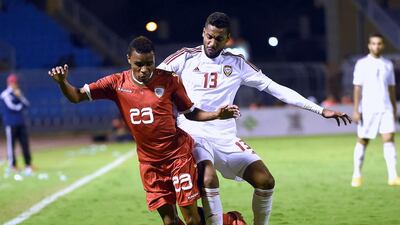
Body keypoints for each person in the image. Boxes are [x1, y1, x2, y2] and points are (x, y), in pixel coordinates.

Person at [158, 12, 351, 225]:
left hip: (225, 135)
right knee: (208, 178)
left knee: (265, 181)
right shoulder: (185, 57)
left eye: (219, 38)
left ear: (228, 38)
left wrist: (320, 110)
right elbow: (153, 81)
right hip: (192, 131)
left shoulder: (238, 64)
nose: (212, 43)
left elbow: (274, 88)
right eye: (209, 36)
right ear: (203, 32)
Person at [48, 36, 241, 225]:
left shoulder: (169, 80)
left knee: (191, 219)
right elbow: (76, 96)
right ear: (129, 59)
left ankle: (229, 220)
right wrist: (63, 83)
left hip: (177, 157)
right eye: (139, 64)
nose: (144, 70)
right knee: (169, 220)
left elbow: (190, 113)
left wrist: (216, 114)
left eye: (150, 63)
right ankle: (229, 220)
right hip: (150, 164)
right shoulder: (116, 83)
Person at [351, 33, 400, 187]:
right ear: (369, 45)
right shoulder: (362, 63)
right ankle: (357, 174)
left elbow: (391, 88)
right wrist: (356, 110)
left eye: (379, 43)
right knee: (363, 140)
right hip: (367, 108)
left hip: (385, 107)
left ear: (383, 45)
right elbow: (357, 88)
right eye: (373, 43)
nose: (376, 46)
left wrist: (394, 107)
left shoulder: (388, 64)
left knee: (389, 139)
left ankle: (393, 176)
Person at [0, 73, 32, 176]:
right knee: (11, 146)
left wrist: (21, 97)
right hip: (11, 124)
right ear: (9, 83)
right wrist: (20, 104)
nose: (16, 84)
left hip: (20, 123)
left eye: (16, 82)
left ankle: (28, 164)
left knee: (25, 144)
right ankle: (12, 165)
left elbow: (27, 104)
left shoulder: (17, 93)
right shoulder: (5, 95)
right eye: (14, 82)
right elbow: (13, 107)